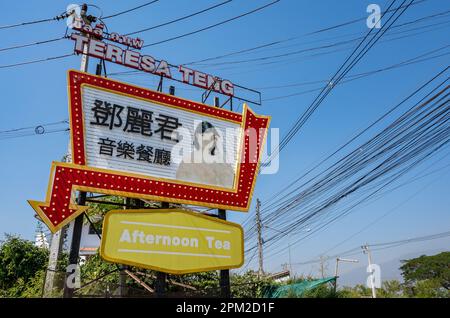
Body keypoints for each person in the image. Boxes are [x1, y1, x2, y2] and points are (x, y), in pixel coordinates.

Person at [176, 121, 235, 188]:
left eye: (212, 139)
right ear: (197, 137)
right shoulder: (187, 162)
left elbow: (231, 186)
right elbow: (181, 187)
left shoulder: (223, 164)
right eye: (205, 140)